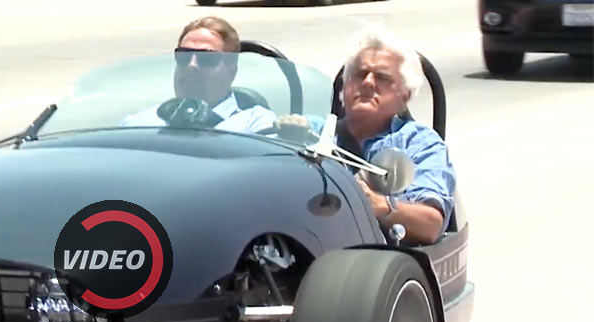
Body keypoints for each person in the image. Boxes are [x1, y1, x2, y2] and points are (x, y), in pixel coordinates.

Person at [299, 28, 457, 245]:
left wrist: (379, 205)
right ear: (344, 87)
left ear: (404, 95)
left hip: (376, 263)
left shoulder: (419, 143)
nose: (368, 83)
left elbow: (430, 224)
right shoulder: (311, 132)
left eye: (382, 77)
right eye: (360, 74)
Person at [120, 16, 277, 133]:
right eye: (184, 57)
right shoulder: (138, 126)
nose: (191, 65)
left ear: (231, 70)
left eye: (206, 59)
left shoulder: (256, 126)